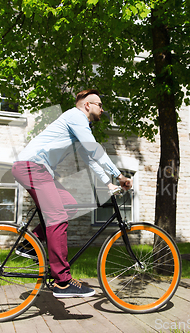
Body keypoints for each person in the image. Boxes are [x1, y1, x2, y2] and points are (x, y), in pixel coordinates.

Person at [12, 89, 133, 298]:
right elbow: (93, 148)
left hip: (39, 170)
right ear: (87, 105)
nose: (102, 111)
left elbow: (89, 158)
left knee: (70, 205)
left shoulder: (77, 124)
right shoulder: (75, 117)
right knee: (57, 217)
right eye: (99, 105)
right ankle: (62, 281)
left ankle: (30, 245)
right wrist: (118, 175)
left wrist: (107, 182)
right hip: (32, 167)